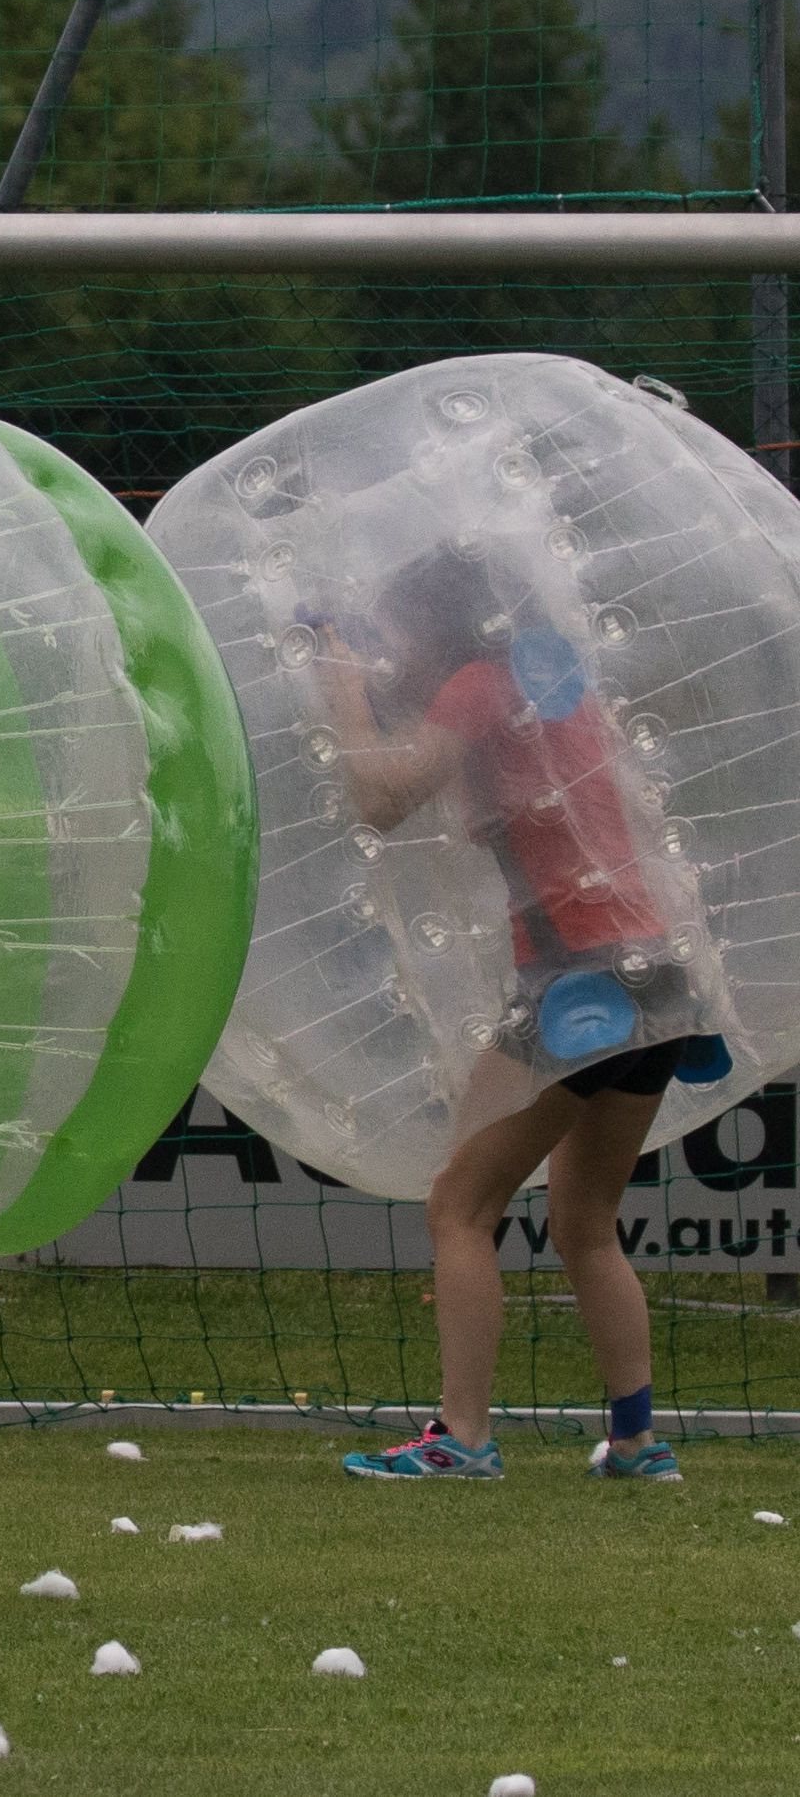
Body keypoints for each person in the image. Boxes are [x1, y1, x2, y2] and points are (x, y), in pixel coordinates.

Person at [315, 550, 715, 1482]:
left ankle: (461, 1437)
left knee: (460, 1205)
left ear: (440, 626)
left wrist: (342, 689)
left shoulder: (477, 684)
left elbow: (380, 798)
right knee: (585, 1222)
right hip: (657, 976)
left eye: (396, 628)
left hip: (580, 986)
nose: (390, 647)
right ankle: (637, 1443)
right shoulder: (546, 682)